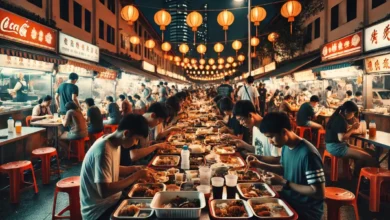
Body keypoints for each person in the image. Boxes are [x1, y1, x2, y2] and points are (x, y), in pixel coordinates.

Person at [248, 112, 325, 220]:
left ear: (284, 132)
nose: (270, 142)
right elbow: (284, 169)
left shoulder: (308, 154)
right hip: (288, 199)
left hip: (305, 210)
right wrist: (260, 164)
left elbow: (318, 192)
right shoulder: (286, 146)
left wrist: (283, 182)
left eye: (271, 137)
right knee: (250, 207)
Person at [80, 114, 154, 220]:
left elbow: (111, 169)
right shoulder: (103, 150)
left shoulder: (114, 143)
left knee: (150, 203)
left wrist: (134, 169)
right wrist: (136, 176)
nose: (136, 143)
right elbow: (104, 191)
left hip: (114, 200)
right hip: (99, 211)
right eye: (136, 139)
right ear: (126, 133)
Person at [325, 101, 376, 175]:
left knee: (367, 151)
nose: (352, 115)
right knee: (368, 157)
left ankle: (358, 174)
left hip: (333, 145)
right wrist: (352, 129)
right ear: (346, 111)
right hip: (336, 148)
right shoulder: (340, 120)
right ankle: (361, 177)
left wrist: (352, 128)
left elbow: (342, 134)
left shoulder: (338, 116)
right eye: (352, 113)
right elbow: (341, 138)